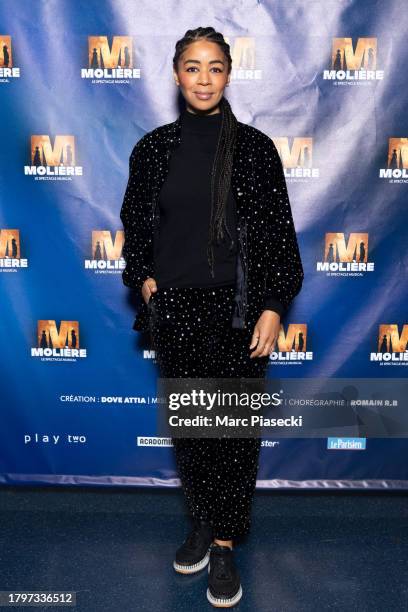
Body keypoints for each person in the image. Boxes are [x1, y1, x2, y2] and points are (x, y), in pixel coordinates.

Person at [120, 26, 304, 609]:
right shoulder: (153, 148)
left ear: (229, 74)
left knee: (232, 435)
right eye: (193, 68)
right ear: (176, 75)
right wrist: (144, 279)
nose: (204, 79)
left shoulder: (254, 149)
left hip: (237, 311)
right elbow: (137, 224)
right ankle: (202, 521)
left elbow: (276, 236)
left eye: (215, 67)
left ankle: (223, 544)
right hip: (175, 310)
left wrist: (272, 305)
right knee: (193, 430)